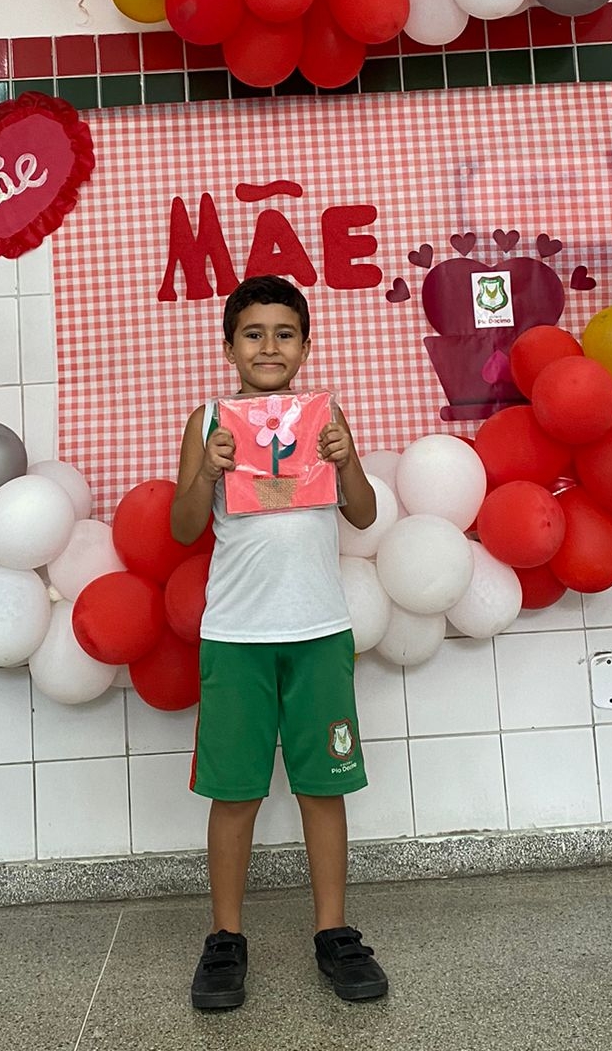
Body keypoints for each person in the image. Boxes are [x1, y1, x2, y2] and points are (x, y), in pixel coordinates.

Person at [170, 273, 389, 1012]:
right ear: (229, 345)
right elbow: (182, 527)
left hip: (318, 632)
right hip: (236, 636)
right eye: (254, 334)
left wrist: (348, 458)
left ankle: (334, 932)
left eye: (285, 333)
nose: (269, 347)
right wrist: (207, 470)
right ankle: (225, 938)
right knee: (234, 792)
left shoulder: (325, 416)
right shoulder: (208, 421)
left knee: (324, 786)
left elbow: (363, 514)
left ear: (305, 345)